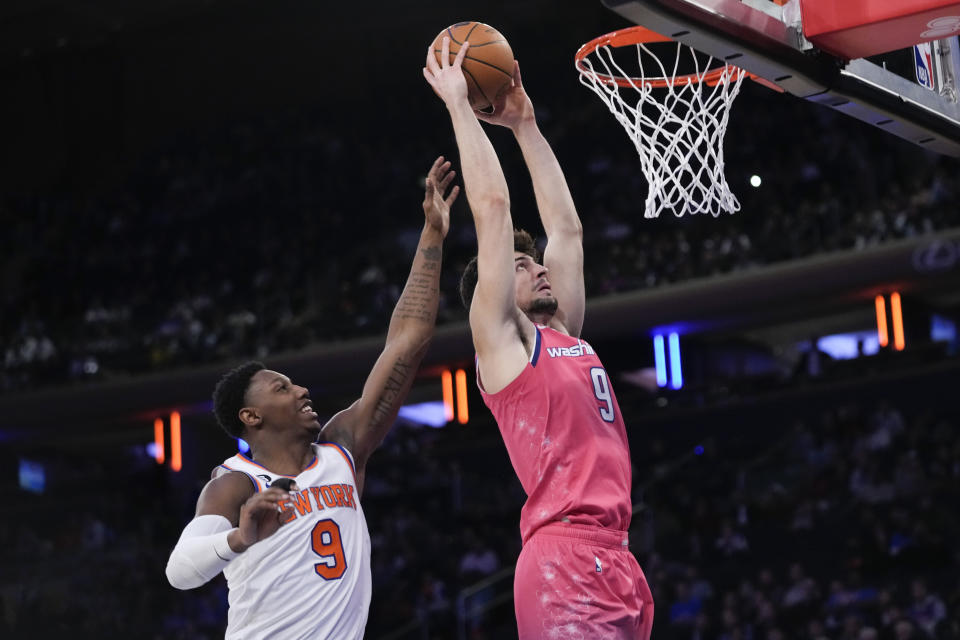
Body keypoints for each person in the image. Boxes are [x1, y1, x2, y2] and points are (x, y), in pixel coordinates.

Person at [165, 156, 459, 639]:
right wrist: (238, 537)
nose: (301, 389)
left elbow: (407, 344)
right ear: (251, 416)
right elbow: (179, 572)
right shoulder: (237, 484)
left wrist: (432, 235)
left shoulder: (343, 446)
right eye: (282, 387)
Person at [423, 38, 654, 639]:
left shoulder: (565, 336)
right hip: (565, 557)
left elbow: (567, 231)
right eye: (521, 267)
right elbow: (494, 210)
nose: (538, 266)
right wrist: (456, 104)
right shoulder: (504, 343)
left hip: (619, 556)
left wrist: (525, 125)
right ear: (493, 294)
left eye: (533, 262)